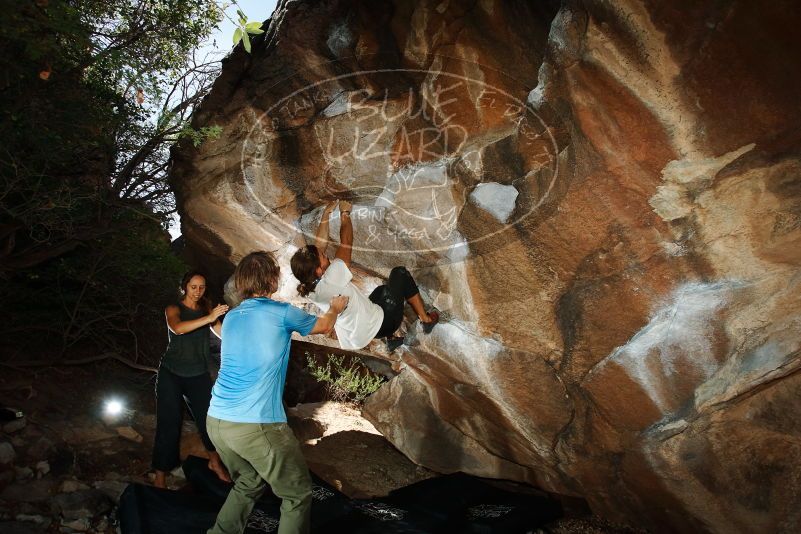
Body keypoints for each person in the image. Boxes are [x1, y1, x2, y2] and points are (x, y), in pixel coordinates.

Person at [206, 251, 348, 534]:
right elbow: (324, 326)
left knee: (248, 482)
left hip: (217, 421)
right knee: (296, 495)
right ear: (272, 278)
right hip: (256, 424)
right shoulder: (281, 312)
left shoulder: (233, 317)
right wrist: (335, 307)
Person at [290, 200, 438, 352]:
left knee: (382, 291)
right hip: (384, 324)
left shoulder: (309, 287)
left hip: (361, 334)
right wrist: (345, 214)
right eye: (322, 256)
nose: (325, 253)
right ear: (318, 270)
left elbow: (319, 247)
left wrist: (326, 213)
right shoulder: (332, 280)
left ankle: (392, 340)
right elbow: (346, 242)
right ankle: (426, 321)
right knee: (399, 273)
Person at [152, 271, 231, 489]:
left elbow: (224, 334)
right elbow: (177, 328)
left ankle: (215, 463)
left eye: (202, 287)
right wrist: (209, 317)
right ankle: (160, 473)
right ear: (185, 286)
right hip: (171, 373)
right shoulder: (174, 308)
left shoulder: (207, 310)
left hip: (198, 374)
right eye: (193, 287)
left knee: (209, 421)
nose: (197, 291)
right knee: (169, 423)